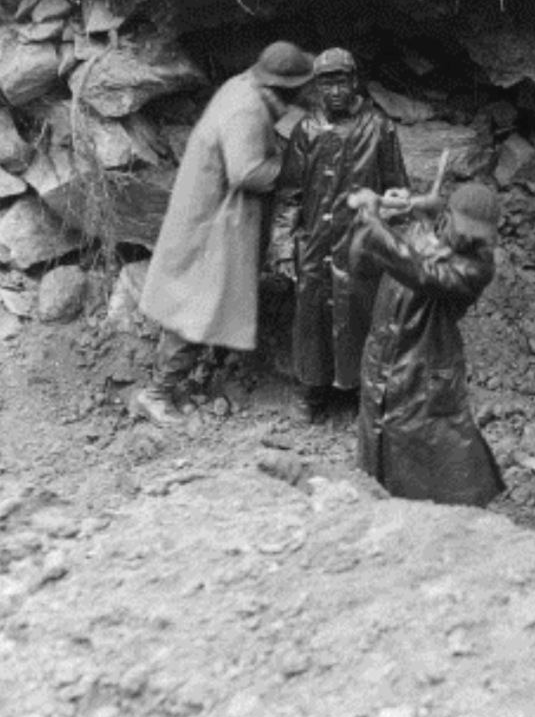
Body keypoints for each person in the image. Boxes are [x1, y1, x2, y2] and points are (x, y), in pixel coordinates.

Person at [132, 41, 315, 426]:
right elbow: (246, 172)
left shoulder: (245, 86)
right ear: (282, 87)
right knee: (198, 308)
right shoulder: (246, 110)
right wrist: (299, 168)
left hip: (207, 214)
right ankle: (156, 394)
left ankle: (175, 383)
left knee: (194, 305)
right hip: (212, 224)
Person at [350, 182, 505, 507]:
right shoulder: (415, 231)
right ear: (447, 217)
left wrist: (374, 223)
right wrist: (378, 218)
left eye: (477, 237)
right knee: (379, 447)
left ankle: (455, 514)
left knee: (437, 453)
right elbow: (359, 263)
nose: (469, 241)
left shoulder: (477, 266)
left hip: (425, 366)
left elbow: (422, 273)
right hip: (381, 358)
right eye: (464, 231)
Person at [278, 48, 410, 423]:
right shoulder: (306, 131)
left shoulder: (379, 128)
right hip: (316, 244)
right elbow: (289, 195)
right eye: (326, 84)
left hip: (362, 245)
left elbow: (396, 191)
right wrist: (284, 246)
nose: (334, 91)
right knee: (312, 321)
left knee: (363, 318)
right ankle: (311, 392)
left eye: (340, 82)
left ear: (354, 82)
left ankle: (361, 393)